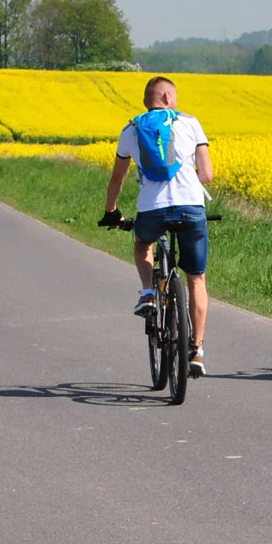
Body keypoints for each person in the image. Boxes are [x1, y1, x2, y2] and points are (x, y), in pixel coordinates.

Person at [100, 76, 214, 376]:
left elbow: (117, 179)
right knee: (197, 279)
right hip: (191, 207)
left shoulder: (131, 129)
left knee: (142, 243)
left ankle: (149, 292)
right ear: (166, 98)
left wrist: (112, 211)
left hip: (151, 208)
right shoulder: (190, 123)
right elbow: (208, 175)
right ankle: (197, 351)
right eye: (174, 97)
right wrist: (188, 180)